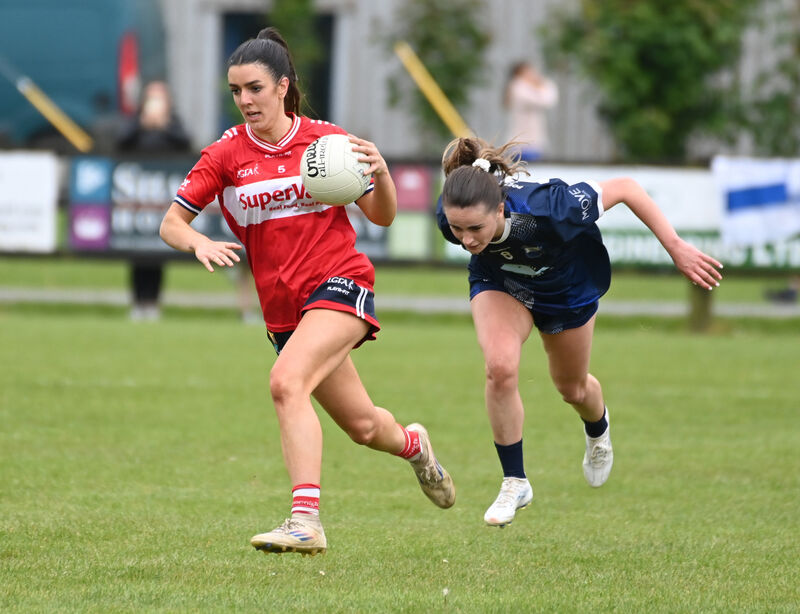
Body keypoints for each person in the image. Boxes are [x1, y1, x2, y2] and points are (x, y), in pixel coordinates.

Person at [159, 27, 454, 556]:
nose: (245, 100)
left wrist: (381, 173)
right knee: (364, 426)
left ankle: (305, 521)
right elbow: (171, 223)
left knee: (285, 382)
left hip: (341, 281)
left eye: (254, 88)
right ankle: (415, 446)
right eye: (235, 91)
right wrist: (197, 242)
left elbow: (382, 216)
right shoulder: (225, 154)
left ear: (283, 87)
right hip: (285, 311)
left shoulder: (328, 143)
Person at [436, 137, 723, 527]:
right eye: (457, 228)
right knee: (499, 368)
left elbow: (625, 188)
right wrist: (468, 234)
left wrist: (675, 247)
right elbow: (468, 235)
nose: (466, 239)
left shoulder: (551, 209)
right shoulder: (451, 217)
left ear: (500, 208)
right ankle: (514, 480)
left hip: (566, 290)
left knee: (572, 388)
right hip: (502, 283)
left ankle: (598, 430)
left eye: (475, 228)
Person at [117, 80, 192, 321]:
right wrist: (143, 125)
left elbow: (186, 143)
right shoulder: (136, 122)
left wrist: (164, 126)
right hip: (136, 196)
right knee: (137, 251)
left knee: (158, 250)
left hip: (163, 197)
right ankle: (137, 301)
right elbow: (120, 142)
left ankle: (154, 302)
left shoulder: (174, 123)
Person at [503, 61, 558, 161]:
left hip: (532, 143)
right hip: (521, 145)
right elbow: (546, 100)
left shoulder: (526, 88)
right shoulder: (518, 87)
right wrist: (542, 84)